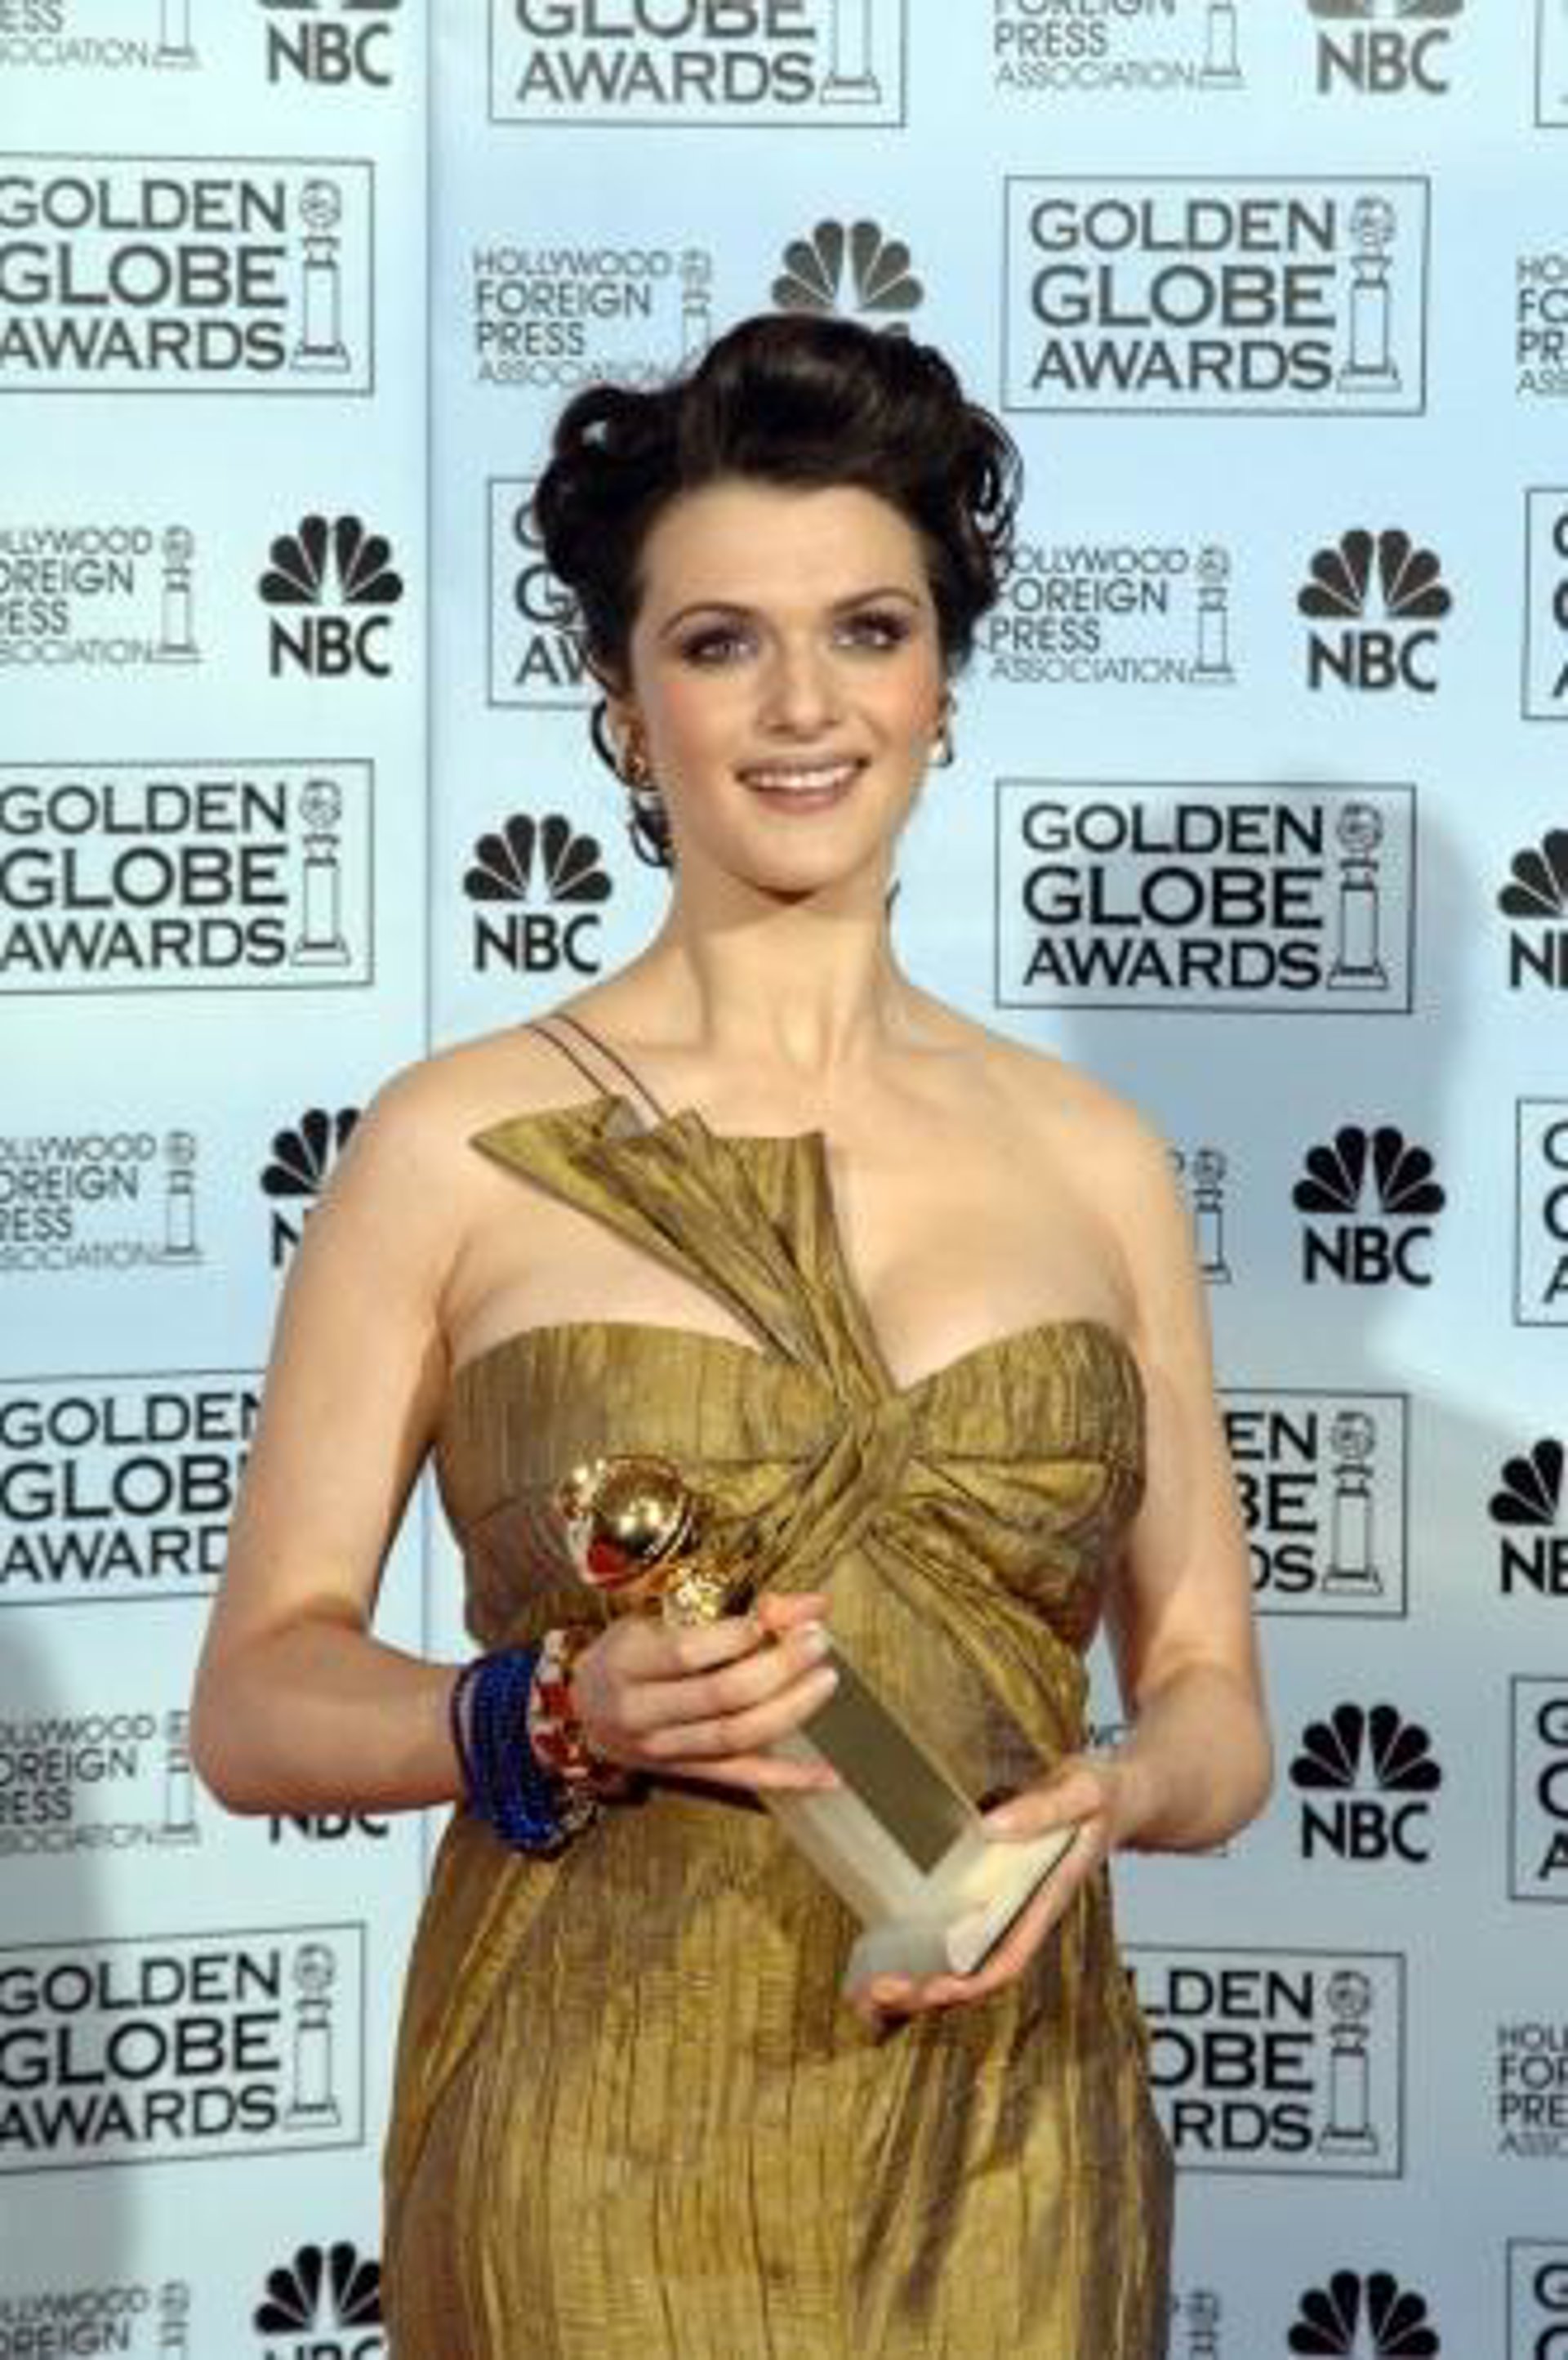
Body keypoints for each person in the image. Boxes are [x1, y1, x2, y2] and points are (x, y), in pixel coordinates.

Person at [192, 311, 1271, 2359]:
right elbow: (257, 1699)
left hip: (1012, 2131)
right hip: (591, 2143)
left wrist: (1120, 1795)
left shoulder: (1097, 1159)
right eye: (718, 643)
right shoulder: (454, 1144)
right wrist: (547, 1709)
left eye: (868, 629)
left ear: (941, 682)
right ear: (623, 703)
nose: (802, 706)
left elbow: (1215, 1697)